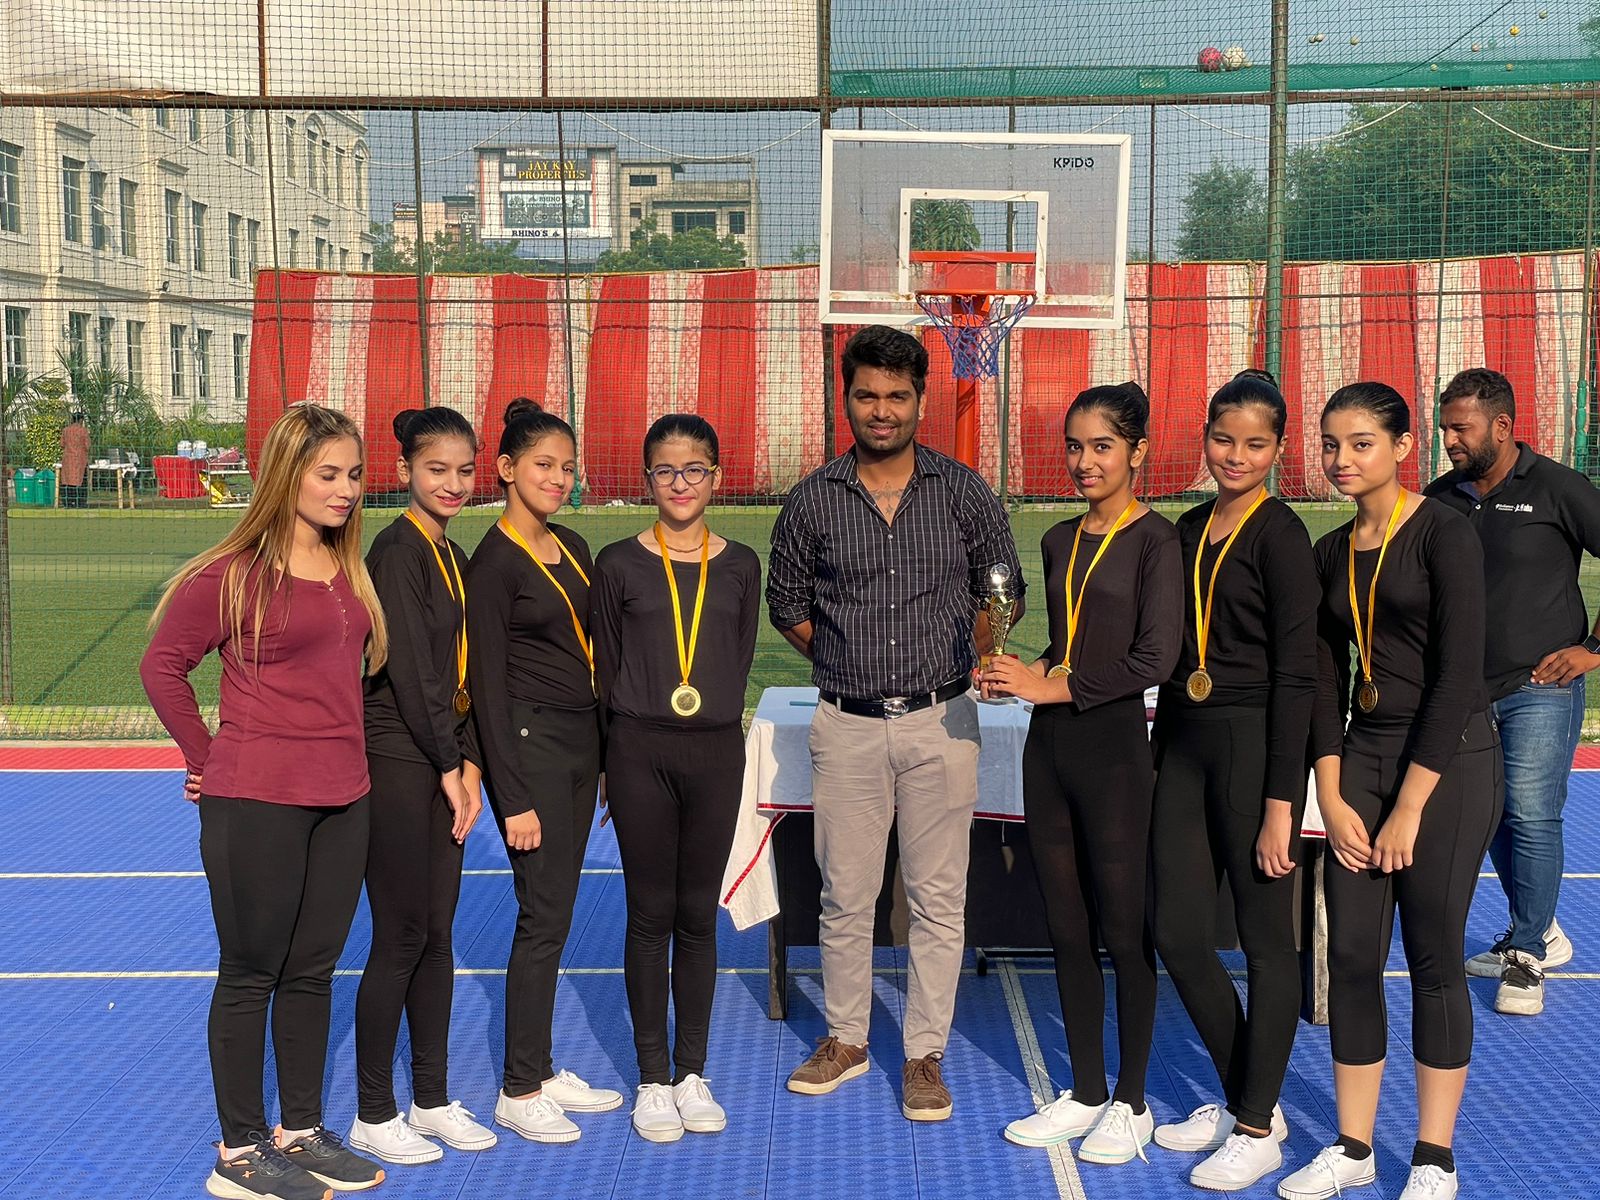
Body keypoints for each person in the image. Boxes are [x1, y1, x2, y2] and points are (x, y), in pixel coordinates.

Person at [767, 324, 1023, 1122]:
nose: (882, 410)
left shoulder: (964, 491)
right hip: (845, 724)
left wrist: (954, 660)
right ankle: (846, 1038)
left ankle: (924, 1054)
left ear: (921, 401)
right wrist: (850, 660)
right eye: (867, 395)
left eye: (897, 396)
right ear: (845, 398)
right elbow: (788, 606)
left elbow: (1002, 593)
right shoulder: (812, 498)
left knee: (938, 899)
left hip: (942, 720)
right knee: (845, 896)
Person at [139, 403, 390, 1200]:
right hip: (257, 801)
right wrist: (207, 758)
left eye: (354, 474)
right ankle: (241, 1150)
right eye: (328, 474)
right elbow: (162, 667)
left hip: (344, 798)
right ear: (286, 476)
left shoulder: (347, 569)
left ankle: (301, 1130)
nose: (346, 489)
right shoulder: (232, 574)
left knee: (312, 970)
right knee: (252, 972)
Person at [1277, 383, 1501, 1200]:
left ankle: (1434, 1158)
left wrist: (1409, 808)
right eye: (1331, 444)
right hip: (1362, 761)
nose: (1342, 459)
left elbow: (1457, 677)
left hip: (1449, 763)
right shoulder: (1329, 551)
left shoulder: (1445, 534)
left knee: (1433, 957)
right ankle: (1353, 1147)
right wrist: (1332, 797)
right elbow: (1320, 681)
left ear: (1404, 447)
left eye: (1361, 443)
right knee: (1351, 958)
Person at [990, 382, 1181, 1166]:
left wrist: (1049, 687)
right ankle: (1087, 1091)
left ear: (1138, 452)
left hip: (1114, 756)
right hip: (1050, 750)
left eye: (1102, 446)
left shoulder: (1157, 541)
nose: (1084, 461)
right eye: (1074, 446)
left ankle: (1132, 1101)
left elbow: (1153, 659)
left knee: (1123, 930)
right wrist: (1020, 672)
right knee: (1065, 928)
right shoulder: (1059, 538)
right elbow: (1070, 645)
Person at [1143, 370, 1315, 1191]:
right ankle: (1251, 1096)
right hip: (1181, 740)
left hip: (1251, 748)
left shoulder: (1283, 536)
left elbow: (1299, 677)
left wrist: (1283, 802)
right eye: (1223, 439)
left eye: (1254, 443)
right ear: (1204, 438)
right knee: (1177, 933)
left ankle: (1255, 1127)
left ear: (1278, 449)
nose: (1235, 455)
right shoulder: (1186, 528)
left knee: (1265, 943)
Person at [592, 414, 761, 1144]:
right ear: (647, 480)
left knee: (697, 915)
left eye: (694, 469)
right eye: (665, 470)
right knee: (648, 914)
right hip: (639, 751)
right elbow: (605, 668)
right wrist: (608, 761)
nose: (680, 482)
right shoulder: (618, 564)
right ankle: (652, 1078)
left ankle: (692, 1071)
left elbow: (738, 654)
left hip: (716, 752)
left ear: (716, 477)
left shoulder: (742, 564)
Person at [466, 398, 623, 1145]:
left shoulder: (575, 545)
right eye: (542, 465)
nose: (558, 478)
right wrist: (514, 796)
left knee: (556, 915)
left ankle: (543, 1064)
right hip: (530, 755)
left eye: (566, 467)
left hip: (577, 749)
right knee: (542, 918)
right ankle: (518, 1087)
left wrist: (603, 758)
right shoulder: (493, 564)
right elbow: (487, 689)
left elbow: (590, 656)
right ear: (505, 469)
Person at [1426, 367, 1600, 1016]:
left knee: (1530, 812)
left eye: (1461, 428)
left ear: (1502, 426)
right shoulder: (1441, 497)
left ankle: (1526, 955)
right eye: (1445, 428)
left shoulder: (1559, 488)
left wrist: (1593, 650)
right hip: (1462, 691)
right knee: (1490, 813)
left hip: (1539, 686)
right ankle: (1541, 928)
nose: (1450, 440)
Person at [348, 407, 494, 1166]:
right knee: (401, 936)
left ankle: (430, 1100)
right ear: (405, 470)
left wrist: (469, 763)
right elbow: (408, 671)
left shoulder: (452, 553)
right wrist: (446, 763)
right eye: (437, 469)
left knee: (437, 935)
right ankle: (373, 1113)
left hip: (441, 759)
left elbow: (457, 674)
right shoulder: (396, 550)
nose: (453, 484)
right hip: (399, 762)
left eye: (465, 471)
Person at [60, 410, 89, 508]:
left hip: (68, 459)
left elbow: (62, 444)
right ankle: (80, 503)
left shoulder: (66, 430)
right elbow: (87, 445)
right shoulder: (83, 431)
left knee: (67, 481)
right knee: (80, 481)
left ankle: (67, 502)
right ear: (81, 420)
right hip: (80, 459)